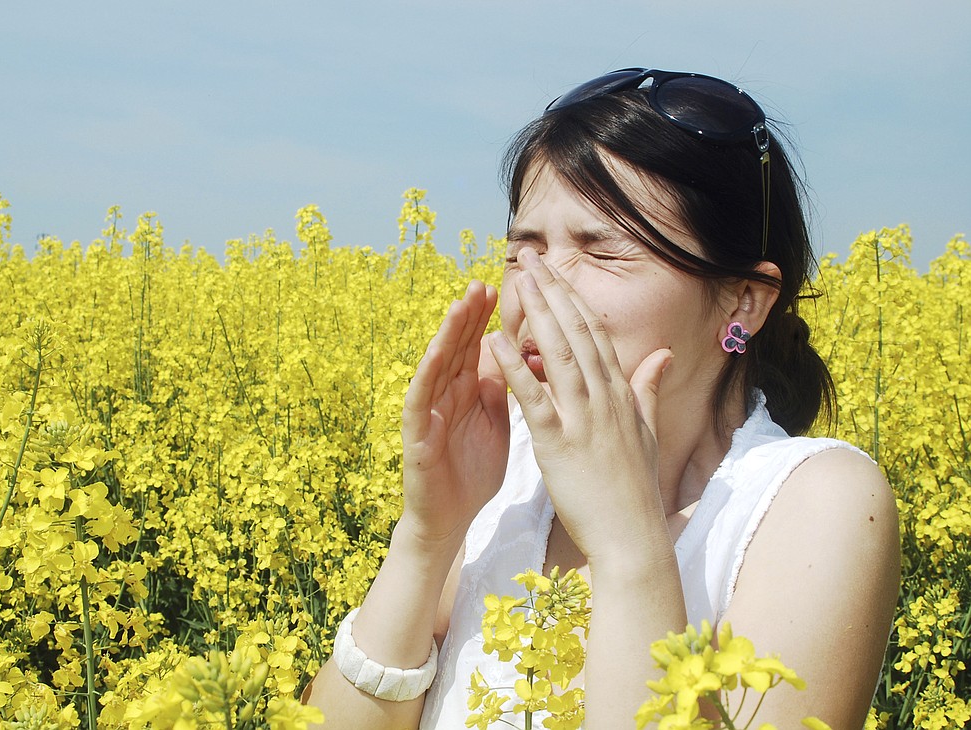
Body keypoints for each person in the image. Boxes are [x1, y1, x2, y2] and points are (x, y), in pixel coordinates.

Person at [304, 67, 900, 729]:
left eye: (603, 252)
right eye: (522, 250)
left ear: (743, 301)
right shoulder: (511, 477)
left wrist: (627, 547)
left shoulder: (817, 500)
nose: (537, 289)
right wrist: (426, 536)